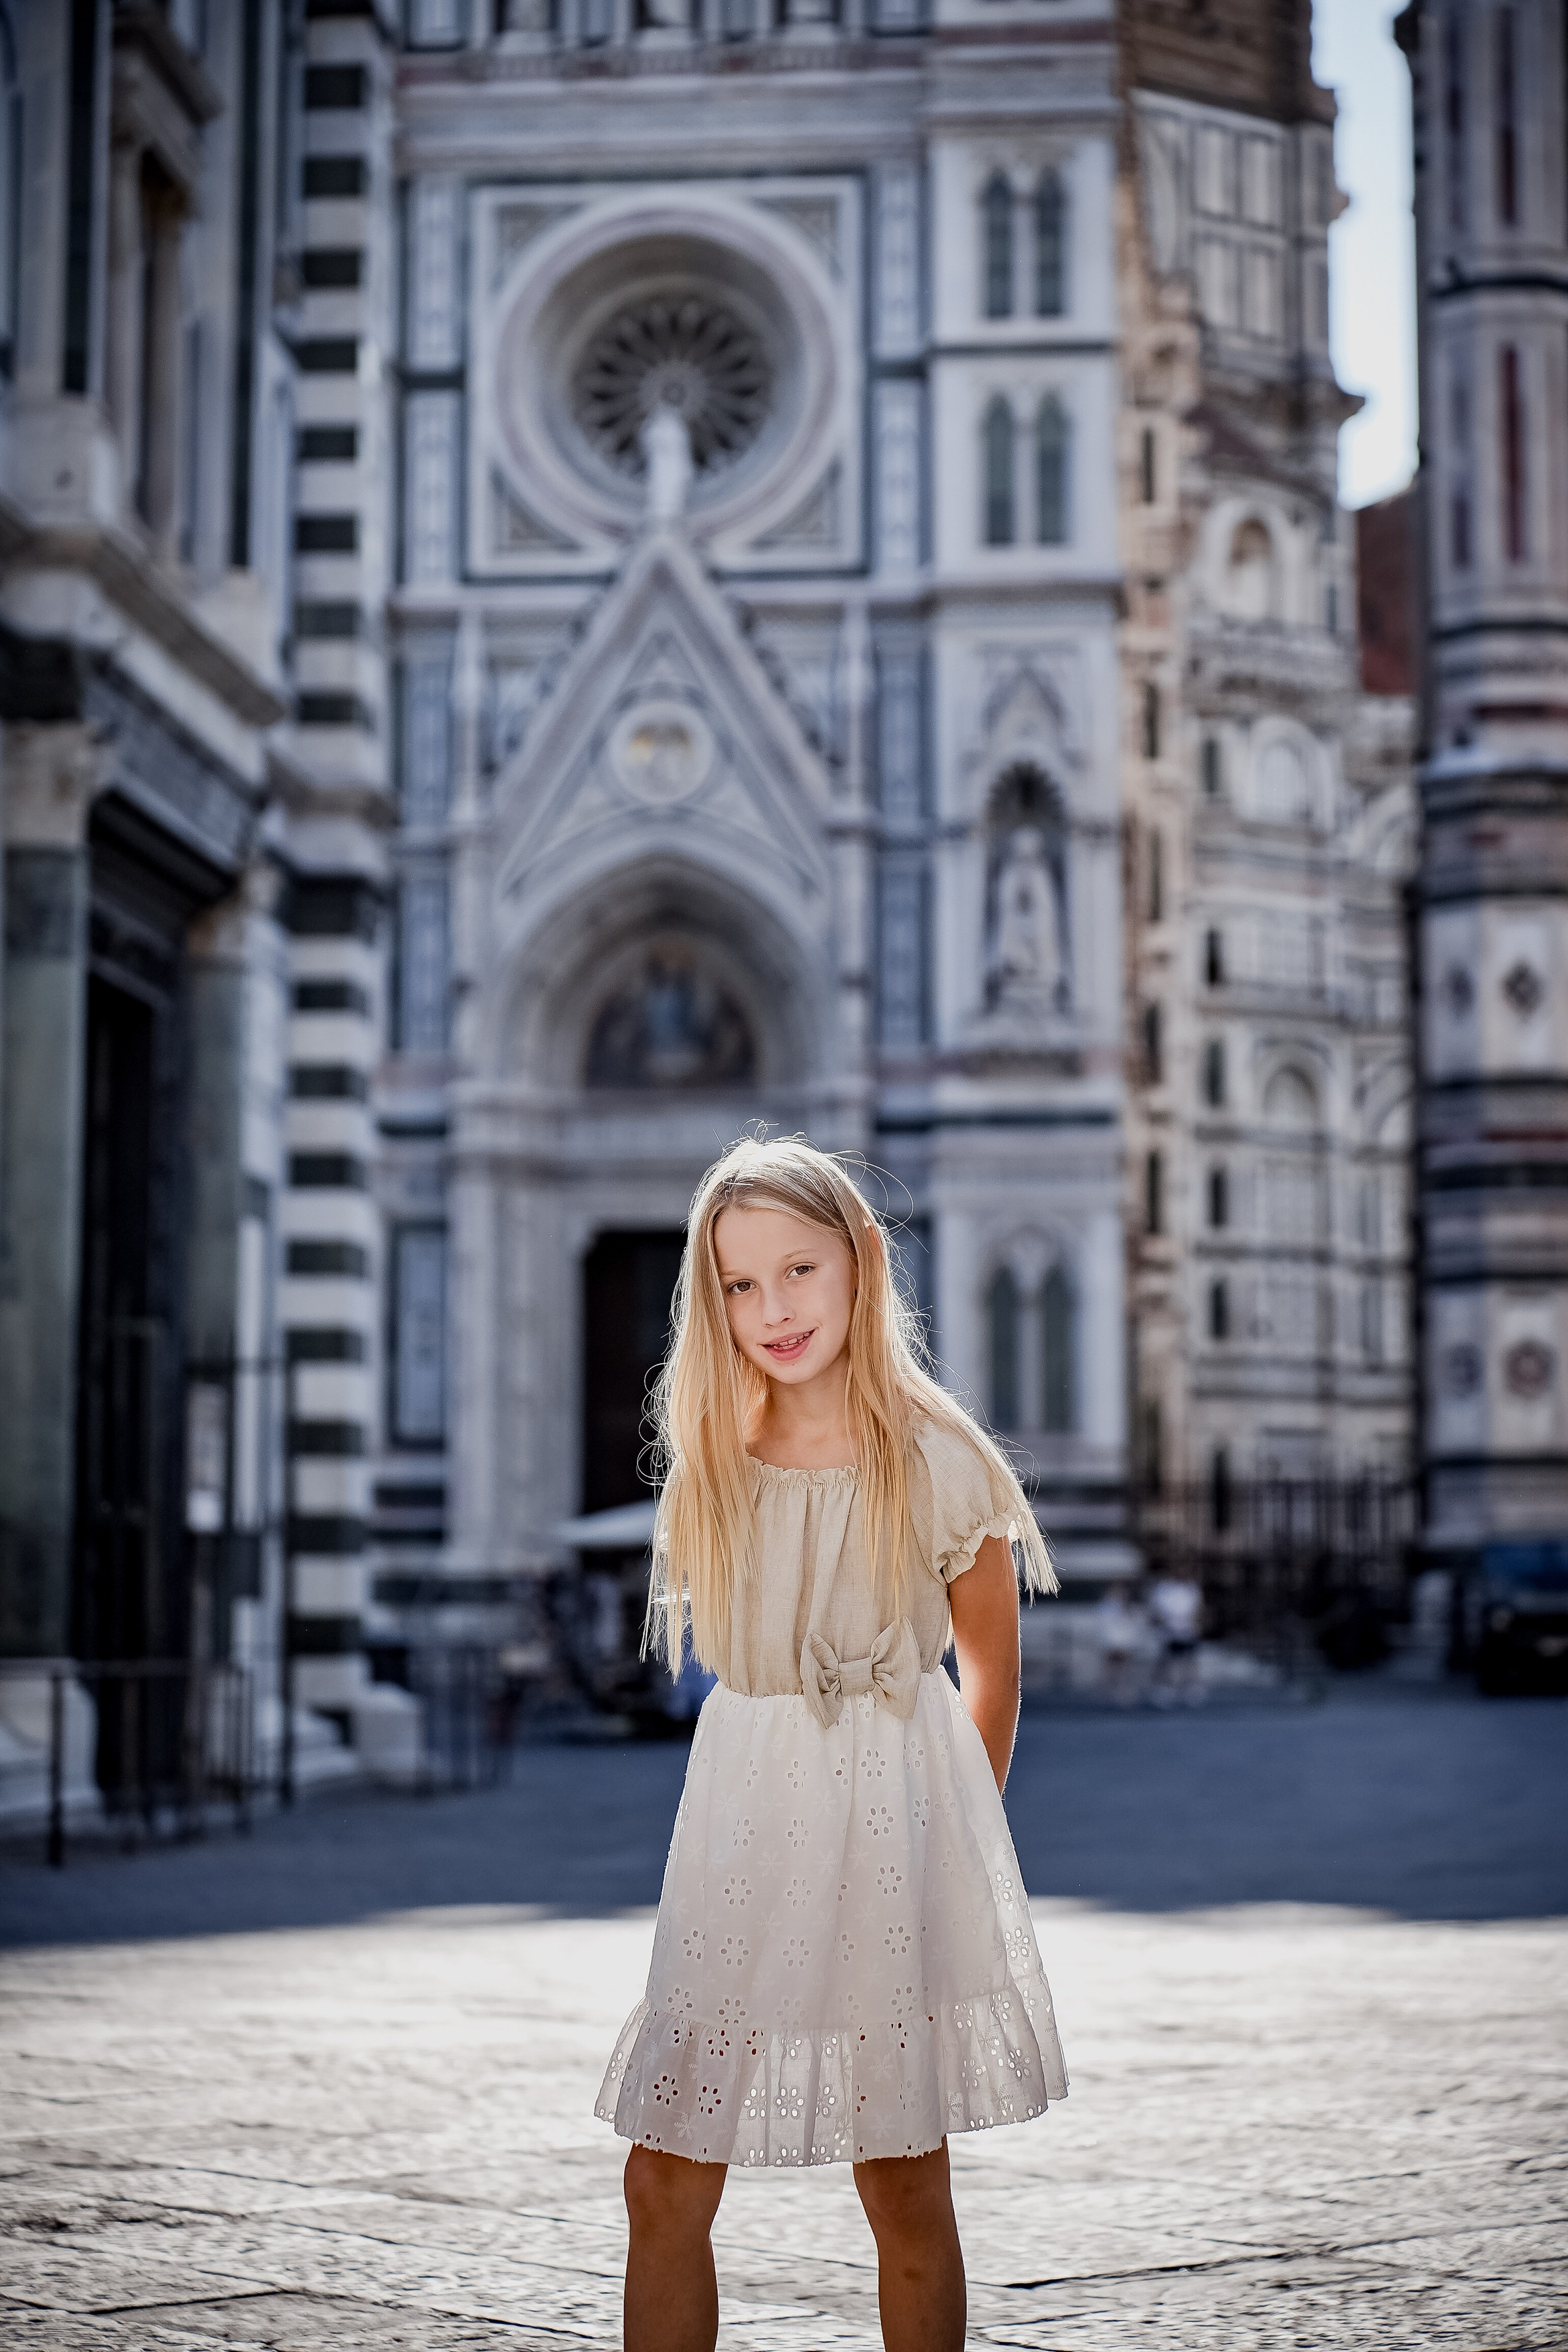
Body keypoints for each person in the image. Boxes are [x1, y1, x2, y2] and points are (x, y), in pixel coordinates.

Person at [597, 1136, 1068, 2352]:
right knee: (660, 2178)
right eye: (740, 1285)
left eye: (798, 1271)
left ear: (862, 1262)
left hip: (890, 1827)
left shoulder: (940, 1457)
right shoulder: (714, 1457)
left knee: (901, 2184)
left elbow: (992, 1673)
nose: (772, 1310)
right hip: (740, 1819)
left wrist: (945, 1855)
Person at [1148, 1564, 1204, 1706]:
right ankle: (1164, 1689)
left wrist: (1194, 1623)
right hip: (1169, 1632)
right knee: (1167, 1662)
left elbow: (1198, 1609)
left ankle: (1191, 1688)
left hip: (1187, 1631)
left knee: (1189, 1661)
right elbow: (1156, 1610)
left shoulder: (1191, 1588)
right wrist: (1165, 1623)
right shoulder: (1164, 1589)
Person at [1093, 1580, 1145, 1705]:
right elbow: (1105, 1624)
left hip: (1124, 1641)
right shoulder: (1107, 1606)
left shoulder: (1128, 1606)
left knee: (1124, 1669)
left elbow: (1131, 1624)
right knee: (1111, 1669)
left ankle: (1123, 1692)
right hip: (1111, 1641)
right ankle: (1107, 1693)